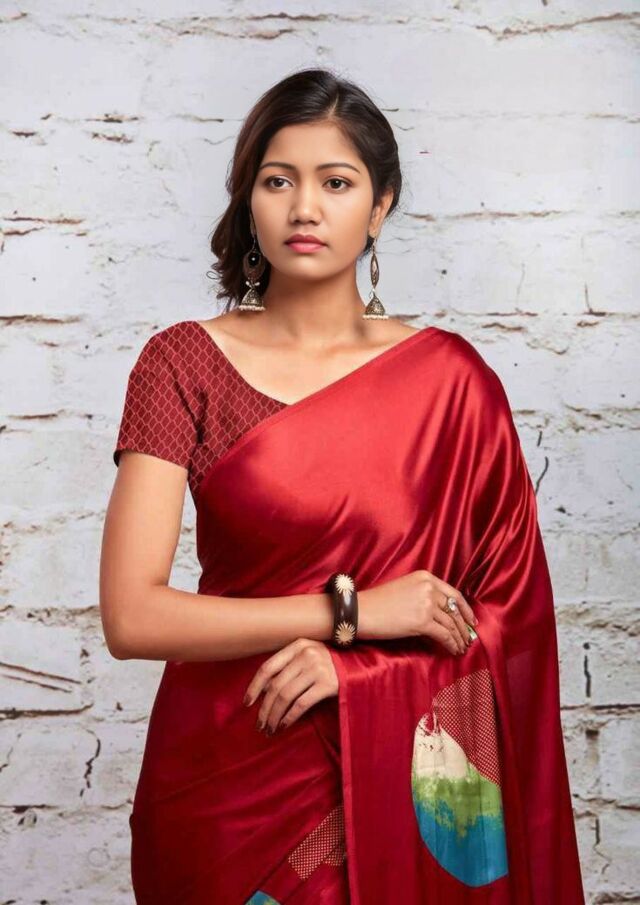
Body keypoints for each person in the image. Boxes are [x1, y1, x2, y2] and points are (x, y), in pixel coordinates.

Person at [99, 68, 585, 904]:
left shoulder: (452, 385)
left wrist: (356, 671)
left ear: (380, 205)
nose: (304, 208)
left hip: (398, 782)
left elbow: (510, 623)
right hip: (223, 784)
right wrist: (350, 612)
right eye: (277, 181)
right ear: (248, 200)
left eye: (336, 182)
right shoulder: (182, 363)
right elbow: (132, 615)